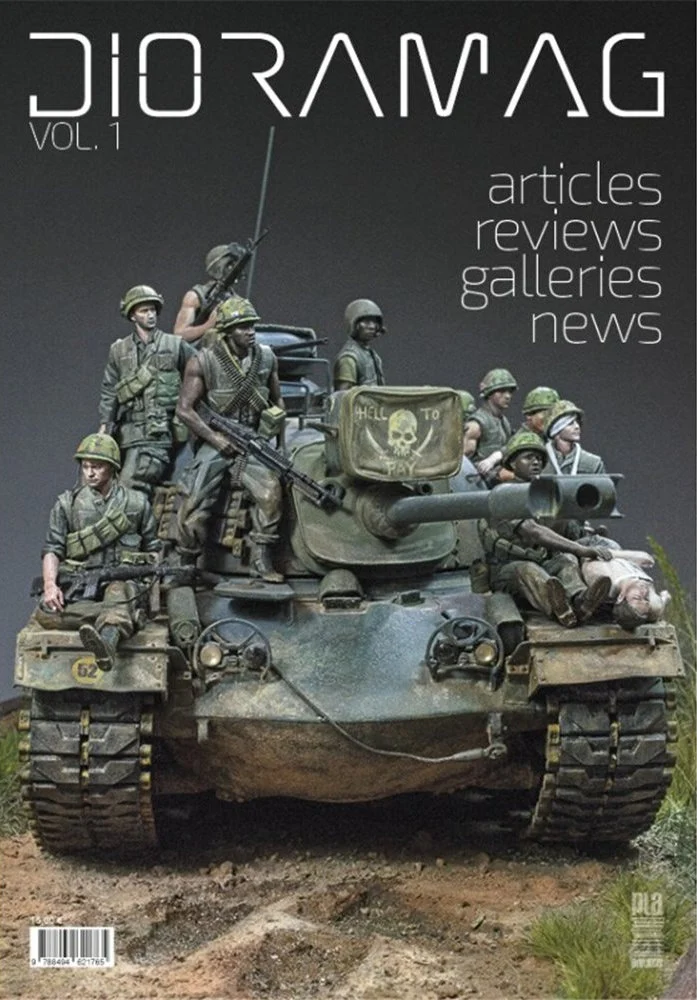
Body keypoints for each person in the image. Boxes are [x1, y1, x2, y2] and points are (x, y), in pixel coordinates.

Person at [175, 296, 285, 582]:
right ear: (226, 331)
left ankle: (261, 559)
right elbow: (184, 410)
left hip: (252, 441)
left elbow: (277, 402)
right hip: (218, 441)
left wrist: (278, 442)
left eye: (252, 325)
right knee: (193, 497)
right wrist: (215, 439)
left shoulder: (266, 358)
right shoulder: (203, 361)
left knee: (270, 492)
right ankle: (186, 562)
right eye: (242, 327)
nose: (250, 331)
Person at [38, 434, 161, 671]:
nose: (90, 473)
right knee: (48, 613)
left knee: (117, 592)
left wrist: (151, 593)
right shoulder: (67, 504)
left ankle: (106, 646)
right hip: (79, 583)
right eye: (86, 466)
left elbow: (153, 550)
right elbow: (53, 548)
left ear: (112, 468)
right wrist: (50, 585)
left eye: (97, 467)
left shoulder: (136, 503)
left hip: (123, 582)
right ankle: (123, 617)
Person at [478, 430, 613, 627]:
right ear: (513, 463)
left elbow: (564, 531)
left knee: (565, 560)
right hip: (507, 569)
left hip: (543, 561)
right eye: (528, 457)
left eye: (539, 458)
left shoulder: (544, 496)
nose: (536, 462)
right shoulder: (504, 496)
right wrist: (580, 549)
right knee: (527, 570)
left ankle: (580, 600)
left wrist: (589, 536)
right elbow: (534, 531)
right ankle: (559, 607)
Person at [98, 285, 195, 496]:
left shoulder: (174, 345)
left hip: (160, 432)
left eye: (152, 310)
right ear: (132, 315)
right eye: (144, 311)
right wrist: (105, 425)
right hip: (128, 433)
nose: (150, 315)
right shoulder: (119, 350)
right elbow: (110, 389)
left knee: (131, 486)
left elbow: (199, 372)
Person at [580, 539, 670, 629]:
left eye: (637, 597)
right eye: (646, 599)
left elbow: (593, 554)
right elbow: (661, 602)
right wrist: (663, 599)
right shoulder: (650, 600)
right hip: (623, 560)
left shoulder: (602, 575)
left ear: (620, 597)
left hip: (595, 546)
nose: (644, 593)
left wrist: (624, 555)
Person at [173, 242, 247, 344]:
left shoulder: (237, 300)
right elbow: (180, 334)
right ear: (219, 267)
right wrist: (208, 325)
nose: (236, 269)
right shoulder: (196, 296)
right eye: (230, 265)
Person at [463, 368, 517, 482]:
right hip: (481, 477)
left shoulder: (503, 421)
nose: (507, 396)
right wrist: (488, 464)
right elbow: (464, 461)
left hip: (500, 470)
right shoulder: (476, 424)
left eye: (510, 392)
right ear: (489, 393)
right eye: (501, 391)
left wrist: (497, 457)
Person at [333, 299, 386, 390]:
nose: (372, 326)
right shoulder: (349, 358)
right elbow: (344, 394)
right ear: (355, 325)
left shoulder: (371, 355)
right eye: (366, 322)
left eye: (374, 322)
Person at [543, 399, 605, 475]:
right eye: (570, 423)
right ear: (556, 430)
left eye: (577, 422)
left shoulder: (593, 463)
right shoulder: (540, 461)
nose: (577, 426)